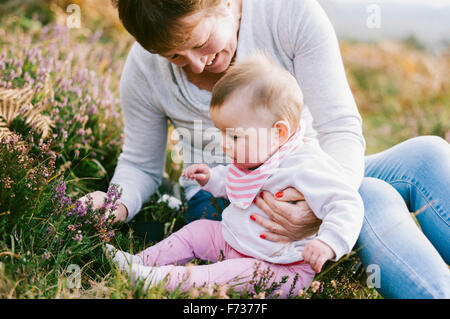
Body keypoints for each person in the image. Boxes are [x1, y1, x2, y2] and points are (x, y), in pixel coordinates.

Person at [88, 0, 450, 298]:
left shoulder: (288, 13)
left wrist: (314, 203)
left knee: (428, 154)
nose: (196, 64)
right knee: (369, 195)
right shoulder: (144, 68)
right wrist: (113, 205)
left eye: (200, 43)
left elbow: (339, 128)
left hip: (304, 167)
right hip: (236, 199)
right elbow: (140, 163)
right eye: (174, 56)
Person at [105, 54, 365, 297]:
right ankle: (140, 261)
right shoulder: (259, 154)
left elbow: (346, 203)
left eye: (235, 136)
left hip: (280, 267)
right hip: (236, 240)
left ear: (279, 133)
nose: (224, 144)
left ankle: (157, 280)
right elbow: (238, 179)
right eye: (222, 133)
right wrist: (212, 179)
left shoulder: (306, 166)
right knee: (196, 232)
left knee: (224, 275)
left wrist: (329, 243)